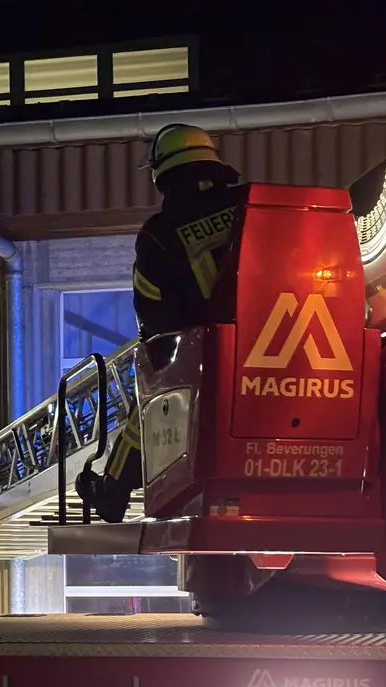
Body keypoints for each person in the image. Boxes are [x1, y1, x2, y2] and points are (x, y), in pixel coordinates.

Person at [90, 123, 248, 524]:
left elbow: (155, 323)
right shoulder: (255, 203)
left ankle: (112, 492)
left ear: (162, 174)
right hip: (293, 347)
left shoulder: (159, 235)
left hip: (210, 360)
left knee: (150, 398)